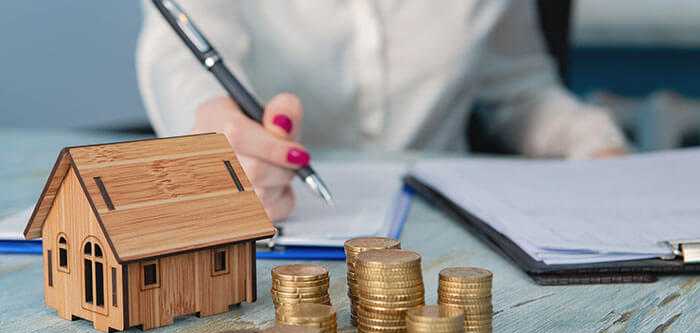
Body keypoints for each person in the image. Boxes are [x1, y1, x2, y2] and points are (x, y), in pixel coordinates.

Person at [137, 1, 627, 221]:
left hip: (454, 223)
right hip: (287, 226)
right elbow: (181, 61)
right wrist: (217, 131)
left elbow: (523, 92)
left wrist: (596, 145)